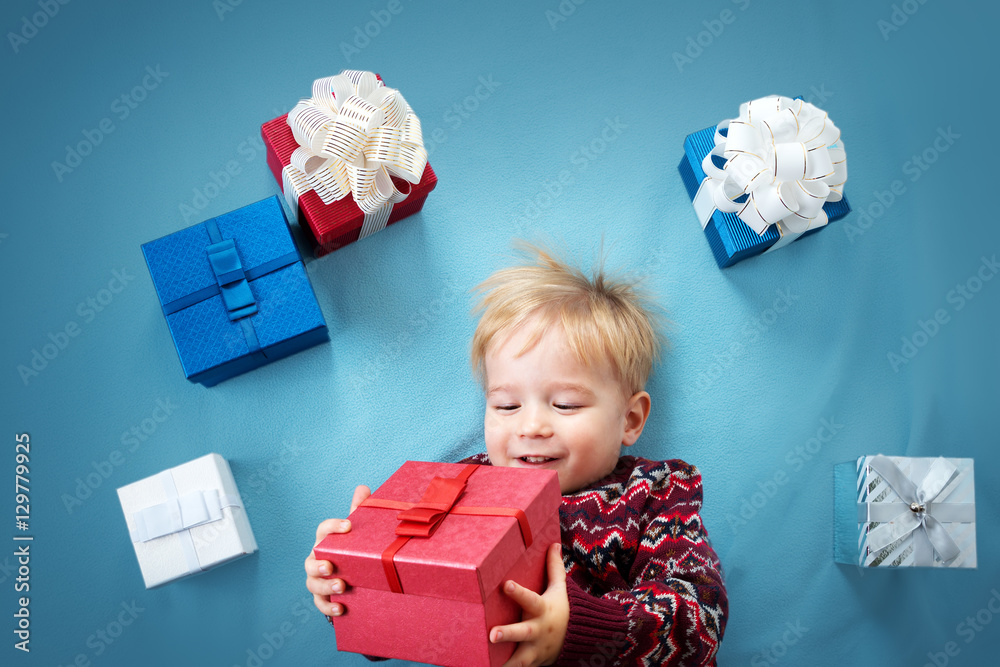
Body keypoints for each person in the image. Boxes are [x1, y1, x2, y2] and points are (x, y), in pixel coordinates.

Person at [305, 244, 728, 666]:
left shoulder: (655, 494)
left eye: (565, 404)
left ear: (631, 420)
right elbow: (416, 613)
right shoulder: (460, 488)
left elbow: (701, 617)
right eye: (507, 406)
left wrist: (580, 627)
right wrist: (354, 581)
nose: (531, 427)